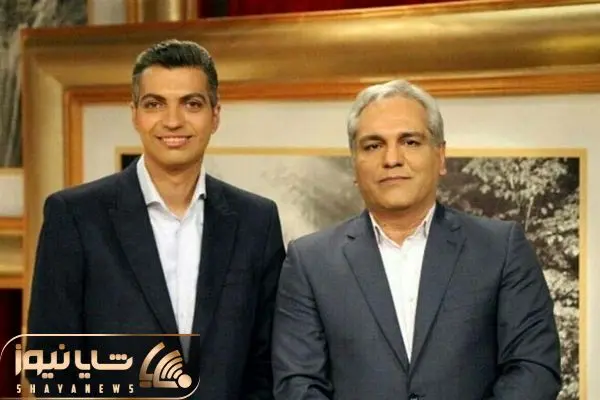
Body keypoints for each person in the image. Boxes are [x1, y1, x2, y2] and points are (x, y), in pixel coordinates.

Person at [27, 39, 285, 399]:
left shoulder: (256, 221)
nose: (173, 121)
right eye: (155, 104)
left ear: (215, 115)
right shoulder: (75, 216)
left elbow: (267, 365)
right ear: (134, 114)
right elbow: (51, 367)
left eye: (192, 104)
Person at [271, 79, 561, 400]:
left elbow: (534, 368)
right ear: (354, 163)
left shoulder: (501, 249)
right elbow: (298, 384)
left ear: (440, 156)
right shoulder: (310, 262)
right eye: (373, 145)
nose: (392, 158)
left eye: (410, 142)